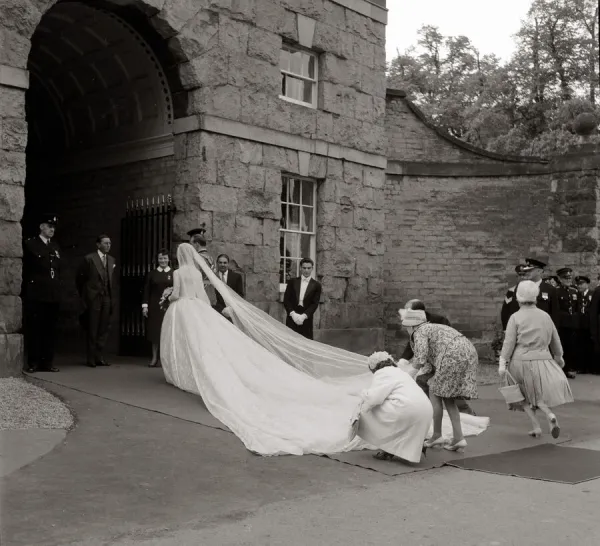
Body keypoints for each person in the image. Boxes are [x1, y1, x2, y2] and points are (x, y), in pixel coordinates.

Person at [159, 244, 489, 457]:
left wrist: (414, 367)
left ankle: (441, 428)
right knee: (436, 397)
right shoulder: (427, 328)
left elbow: (417, 354)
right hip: (447, 360)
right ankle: (447, 430)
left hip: (448, 360)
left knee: (437, 395)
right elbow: (416, 351)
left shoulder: (428, 328)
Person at [499, 281, 574, 438]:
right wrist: (559, 357)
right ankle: (548, 415)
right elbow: (555, 339)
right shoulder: (545, 316)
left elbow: (509, 343)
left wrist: (502, 362)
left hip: (520, 360)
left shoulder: (515, 317)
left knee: (522, 395)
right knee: (537, 394)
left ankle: (538, 425)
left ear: (519, 297)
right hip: (543, 359)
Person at [400, 309, 479, 453]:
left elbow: (421, 357)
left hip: (451, 355)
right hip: (468, 352)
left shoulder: (419, 331)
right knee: (448, 397)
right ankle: (458, 437)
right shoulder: (434, 327)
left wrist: (408, 374)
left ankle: (437, 435)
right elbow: (430, 361)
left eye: (406, 326)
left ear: (411, 326)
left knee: (434, 390)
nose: (406, 329)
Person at [398, 299, 476, 416]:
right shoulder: (414, 324)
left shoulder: (437, 321)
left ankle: (462, 411)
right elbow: (414, 344)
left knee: (447, 385)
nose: (404, 313)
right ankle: (426, 410)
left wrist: (412, 371)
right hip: (445, 357)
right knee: (423, 380)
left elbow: (426, 350)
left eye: (408, 310)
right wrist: (404, 359)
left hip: (451, 357)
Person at [356, 351, 433, 463]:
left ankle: (387, 448)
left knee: (365, 409)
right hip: (425, 410)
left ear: (373, 367)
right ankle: (408, 446)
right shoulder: (400, 372)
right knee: (392, 412)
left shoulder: (382, 373)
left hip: (409, 410)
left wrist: (362, 394)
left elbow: (374, 399)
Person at [22, 213, 61, 373]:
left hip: (52, 294)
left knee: (49, 330)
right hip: (36, 293)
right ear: (41, 227)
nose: (52, 229)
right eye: (49, 226)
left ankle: (47, 362)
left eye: (54, 227)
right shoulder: (31, 244)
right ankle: (34, 362)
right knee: (35, 329)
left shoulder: (55, 246)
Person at [76, 234, 116, 367]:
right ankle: (91, 358)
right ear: (98, 244)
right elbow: (80, 279)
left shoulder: (111, 260)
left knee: (104, 328)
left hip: (106, 297)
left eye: (109, 243)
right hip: (94, 297)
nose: (108, 245)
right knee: (93, 327)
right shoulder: (89, 259)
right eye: (105, 243)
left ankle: (100, 356)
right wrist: (88, 294)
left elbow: (111, 280)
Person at [142, 248, 173, 367]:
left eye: (165, 258)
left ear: (168, 259)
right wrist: (145, 306)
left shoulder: (173, 273)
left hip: (169, 306)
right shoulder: (152, 274)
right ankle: (154, 357)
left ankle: (166, 359)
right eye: (160, 258)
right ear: (157, 260)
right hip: (155, 306)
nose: (163, 260)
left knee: (168, 332)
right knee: (155, 332)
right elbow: (146, 291)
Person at [283, 258, 322, 339]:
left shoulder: (316, 285)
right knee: (290, 341)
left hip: (306, 319)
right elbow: (286, 300)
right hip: (292, 318)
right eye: (304, 268)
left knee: (305, 343)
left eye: (309, 268)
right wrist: (292, 314)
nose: (306, 270)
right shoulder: (292, 282)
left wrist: (304, 316)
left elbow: (314, 304)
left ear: (312, 268)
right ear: (300, 268)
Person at [555, 267, 579, 379]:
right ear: (560, 279)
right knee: (561, 346)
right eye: (566, 278)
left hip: (572, 323)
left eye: (569, 278)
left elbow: (576, 308)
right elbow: (556, 309)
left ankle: (570, 368)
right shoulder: (556, 291)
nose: (568, 280)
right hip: (562, 324)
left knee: (572, 346)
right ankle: (561, 369)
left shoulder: (574, 291)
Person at [213, 254, 244, 320]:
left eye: (225, 263)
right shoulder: (213, 276)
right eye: (220, 262)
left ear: (228, 264)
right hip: (217, 312)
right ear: (217, 263)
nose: (222, 264)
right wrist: (220, 309)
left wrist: (231, 308)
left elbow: (240, 295)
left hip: (233, 312)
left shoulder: (236, 277)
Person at [575, 275, 593, 374]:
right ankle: (581, 367)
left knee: (589, 346)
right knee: (580, 346)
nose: (579, 286)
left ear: (587, 284)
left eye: (581, 284)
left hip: (589, 324)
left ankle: (589, 367)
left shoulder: (592, 294)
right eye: (578, 284)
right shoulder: (576, 295)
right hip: (579, 324)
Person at [501, 264, 527, 330]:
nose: (522, 277)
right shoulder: (511, 291)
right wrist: (505, 328)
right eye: (520, 275)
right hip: (516, 324)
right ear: (517, 277)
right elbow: (505, 311)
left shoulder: (534, 290)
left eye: (524, 275)